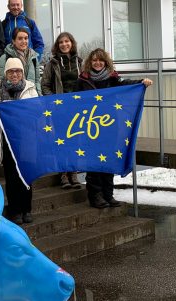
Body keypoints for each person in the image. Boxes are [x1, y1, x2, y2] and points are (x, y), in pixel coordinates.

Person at [75, 48, 153, 209]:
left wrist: (140, 82)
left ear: (105, 62)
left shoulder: (113, 78)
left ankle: (108, 194)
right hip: (91, 126)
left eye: (100, 60)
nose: (97, 63)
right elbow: (75, 102)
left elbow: (126, 85)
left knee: (108, 159)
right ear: (90, 62)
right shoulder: (82, 80)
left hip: (110, 125)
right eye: (94, 60)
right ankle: (95, 195)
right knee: (94, 161)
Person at [0, 58, 39, 224]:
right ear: (6, 73)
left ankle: (27, 209)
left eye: (18, 71)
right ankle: (15, 210)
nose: (15, 74)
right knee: (11, 177)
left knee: (26, 176)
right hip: (6, 140)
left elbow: (38, 112)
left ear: (22, 73)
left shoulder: (30, 88)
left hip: (26, 140)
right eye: (11, 71)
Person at [41, 32, 84, 190]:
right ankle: (63, 175)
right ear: (57, 45)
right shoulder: (52, 63)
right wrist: (54, 101)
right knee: (61, 141)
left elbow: (87, 83)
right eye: (61, 42)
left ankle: (73, 173)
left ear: (72, 43)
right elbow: (44, 85)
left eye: (67, 41)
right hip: (60, 108)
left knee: (75, 140)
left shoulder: (80, 62)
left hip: (77, 109)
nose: (64, 44)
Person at [0, 28, 41, 95]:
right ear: (13, 41)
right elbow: (1, 81)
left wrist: (39, 95)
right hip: (13, 99)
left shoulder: (33, 57)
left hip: (31, 96)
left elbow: (37, 81)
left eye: (26, 38)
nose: (24, 41)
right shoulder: (5, 58)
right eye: (20, 38)